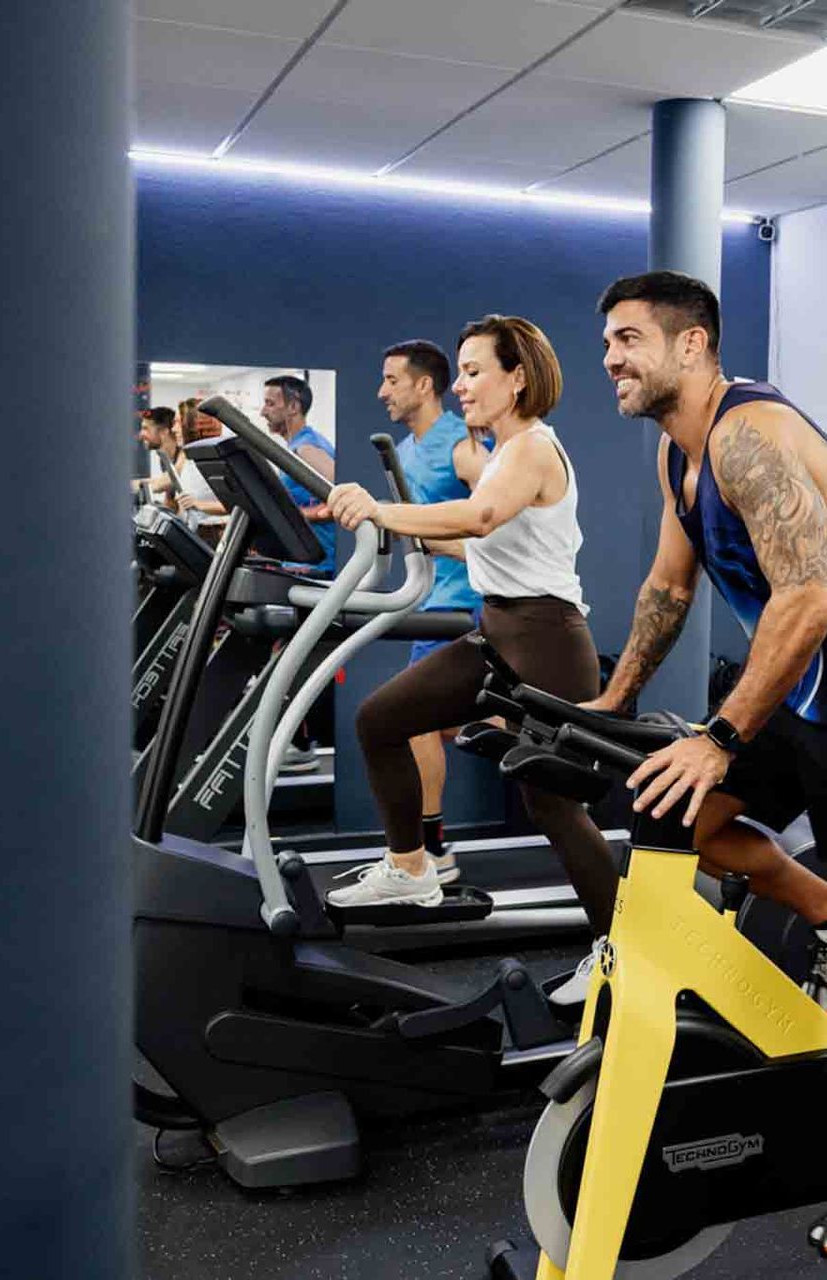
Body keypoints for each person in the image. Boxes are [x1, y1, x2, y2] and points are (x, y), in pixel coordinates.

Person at [592, 270, 827, 1254]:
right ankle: (826, 924)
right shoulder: (679, 456)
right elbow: (666, 588)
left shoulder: (745, 437)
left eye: (630, 338)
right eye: (607, 341)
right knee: (687, 815)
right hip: (813, 694)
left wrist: (719, 733)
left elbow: (809, 598)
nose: (611, 357)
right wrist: (609, 701)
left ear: (693, 346)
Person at [323, 316, 623, 986]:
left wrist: (380, 510)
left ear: (517, 378)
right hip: (498, 634)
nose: (460, 385)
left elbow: (478, 517)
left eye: (474, 370)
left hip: (547, 642)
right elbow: (479, 540)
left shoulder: (533, 449)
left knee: (552, 806)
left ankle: (620, 954)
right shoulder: (503, 456)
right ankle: (410, 869)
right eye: (459, 371)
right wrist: (408, 531)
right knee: (381, 719)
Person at [379, 339, 489, 882]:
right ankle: (541, 728)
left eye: (392, 380)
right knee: (446, 722)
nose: (382, 391)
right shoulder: (403, 450)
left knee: (411, 720)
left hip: (462, 606)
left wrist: (440, 544)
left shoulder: (462, 445)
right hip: (430, 603)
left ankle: (431, 850)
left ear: (425, 385)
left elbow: (499, 525)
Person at [259, 374, 337, 575]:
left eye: (270, 404)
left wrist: (292, 515)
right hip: (302, 560)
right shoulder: (296, 446)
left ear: (293, 407)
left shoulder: (307, 448)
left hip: (318, 566)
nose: (262, 412)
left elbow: (344, 498)